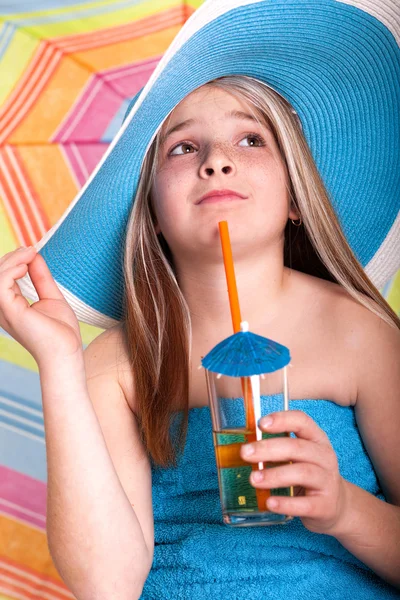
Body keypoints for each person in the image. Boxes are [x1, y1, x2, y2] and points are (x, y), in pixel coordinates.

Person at [0, 1, 399, 598]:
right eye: (182, 148)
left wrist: (343, 508)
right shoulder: (117, 363)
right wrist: (60, 362)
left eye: (250, 138)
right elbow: (105, 586)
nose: (217, 160)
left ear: (295, 197)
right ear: (153, 213)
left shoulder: (359, 332)